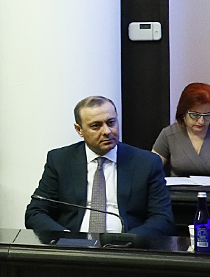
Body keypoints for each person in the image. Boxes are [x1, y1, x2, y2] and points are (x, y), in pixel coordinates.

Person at [24, 95, 172, 240]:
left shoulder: (146, 163)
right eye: (96, 126)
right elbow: (35, 212)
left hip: (127, 247)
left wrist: (128, 240)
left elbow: (163, 219)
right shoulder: (60, 160)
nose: (107, 131)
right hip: (73, 247)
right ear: (79, 130)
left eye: (111, 122)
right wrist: (65, 238)